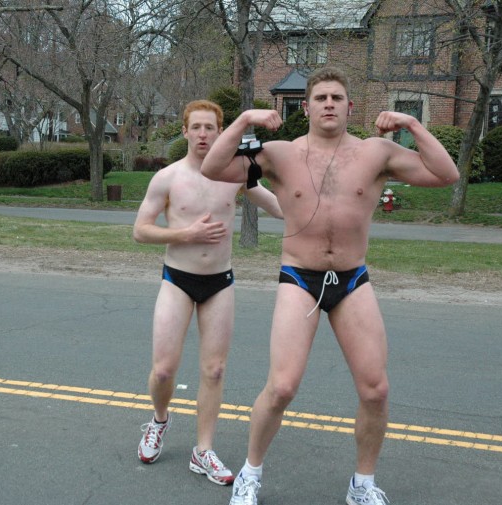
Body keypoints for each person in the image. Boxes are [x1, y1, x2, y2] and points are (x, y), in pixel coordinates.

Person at [200, 67, 459, 505]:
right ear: (306, 107)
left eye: (337, 97)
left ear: (350, 106)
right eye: (320, 98)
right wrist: (244, 119)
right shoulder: (279, 153)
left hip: (353, 280)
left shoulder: (377, 152)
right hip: (299, 278)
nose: (329, 104)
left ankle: (362, 484)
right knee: (282, 387)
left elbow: (446, 174)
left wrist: (412, 124)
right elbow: (213, 168)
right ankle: (250, 472)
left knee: (375, 389)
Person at [133, 99, 283, 486]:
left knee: (214, 370)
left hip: (220, 282)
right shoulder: (167, 178)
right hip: (177, 280)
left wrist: (311, 206)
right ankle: (159, 420)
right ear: (185, 131)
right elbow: (141, 230)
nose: (203, 135)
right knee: (163, 370)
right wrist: (187, 233)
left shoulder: (234, 174)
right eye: (196, 127)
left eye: (210, 128)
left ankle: (203, 450)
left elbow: (276, 204)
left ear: (220, 132)